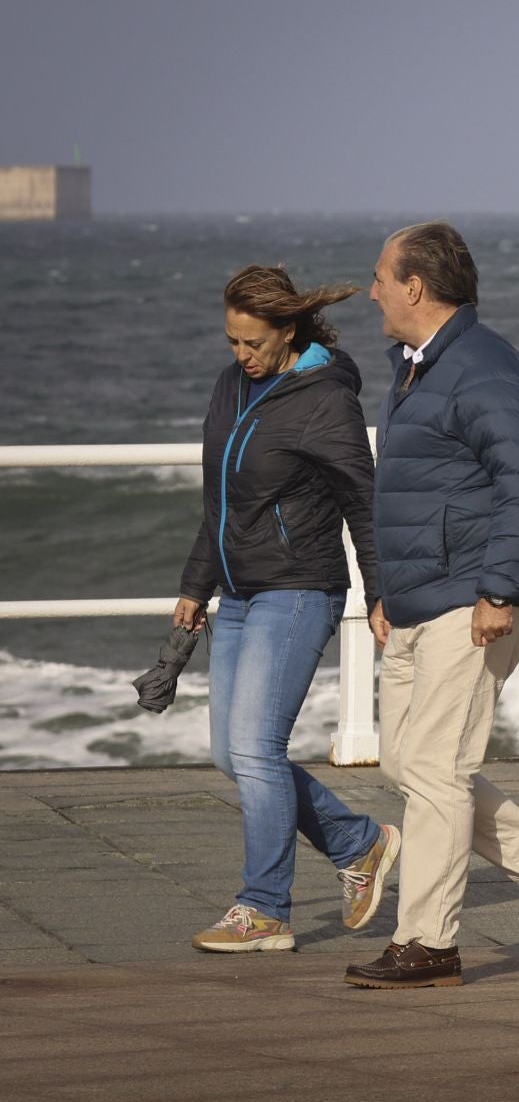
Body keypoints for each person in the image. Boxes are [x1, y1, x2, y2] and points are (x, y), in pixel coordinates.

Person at [343, 221, 519, 990]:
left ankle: (427, 942)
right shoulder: (418, 367)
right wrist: (384, 592)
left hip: (472, 598)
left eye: (382, 277)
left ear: (416, 286)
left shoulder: (485, 367)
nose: (374, 289)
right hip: (419, 601)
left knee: (437, 769)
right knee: (408, 761)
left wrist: (498, 589)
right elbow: (413, 491)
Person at [177, 265, 400, 952]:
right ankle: (359, 843)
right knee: (229, 753)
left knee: (257, 748)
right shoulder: (231, 386)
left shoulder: (323, 401)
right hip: (239, 592)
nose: (241, 355)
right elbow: (221, 499)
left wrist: (381, 593)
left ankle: (265, 908)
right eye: (231, 342)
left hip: (300, 589)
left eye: (252, 342)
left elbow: (363, 503)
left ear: (289, 329)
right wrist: (196, 583)